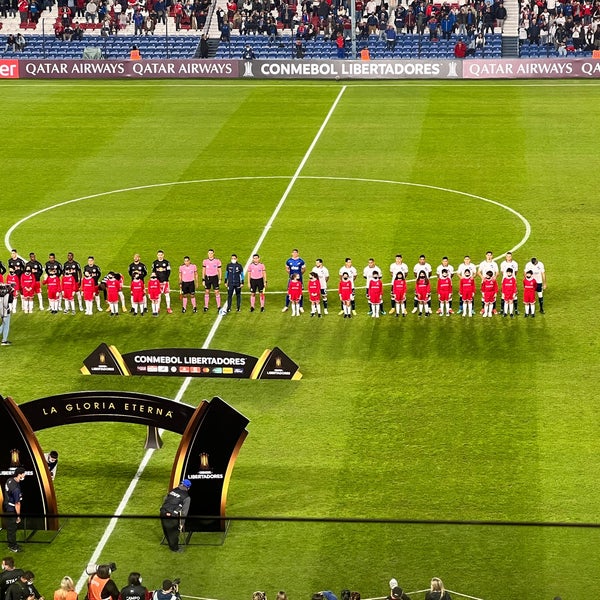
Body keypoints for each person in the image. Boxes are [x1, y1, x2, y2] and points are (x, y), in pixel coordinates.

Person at [160, 479, 191, 552]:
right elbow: (184, 512)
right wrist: (182, 524)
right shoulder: (187, 497)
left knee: (166, 530)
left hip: (163, 512)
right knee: (174, 532)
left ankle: (171, 545)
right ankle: (175, 548)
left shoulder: (173, 490)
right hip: (172, 515)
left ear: (181, 484)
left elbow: (165, 499)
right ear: (188, 488)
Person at [3, 468, 26, 553]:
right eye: (24, 473)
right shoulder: (16, 489)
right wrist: (18, 516)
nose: (25, 475)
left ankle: (13, 543)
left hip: (6, 505)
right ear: (19, 474)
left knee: (11, 528)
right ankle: (12, 546)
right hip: (11, 509)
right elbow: (17, 504)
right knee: (12, 529)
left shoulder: (10, 480)